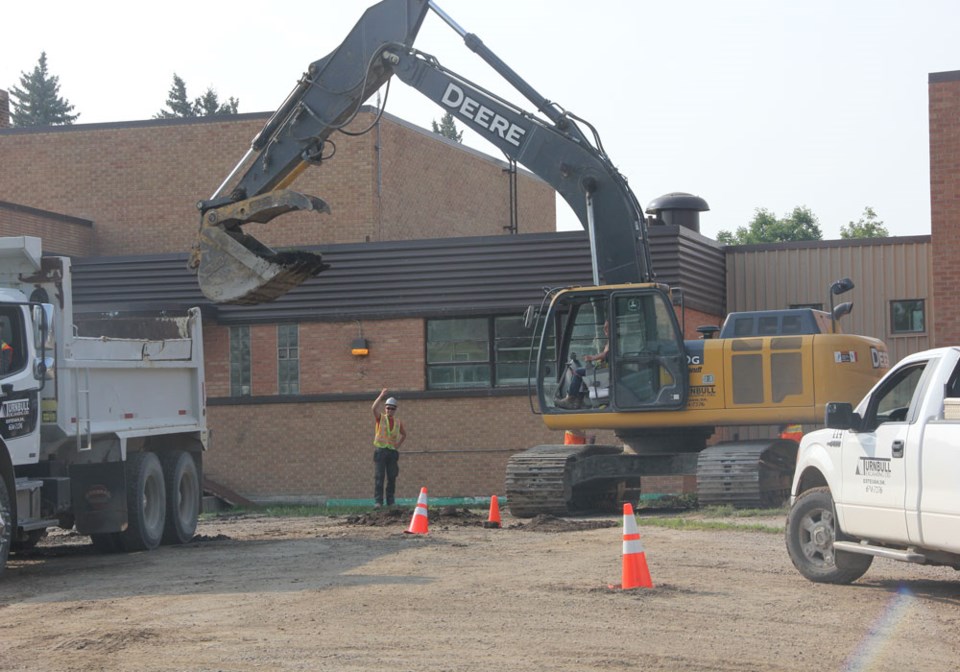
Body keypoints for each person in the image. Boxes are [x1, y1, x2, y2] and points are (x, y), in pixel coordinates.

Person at [557, 321, 609, 409]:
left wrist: (592, 357)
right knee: (582, 372)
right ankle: (578, 401)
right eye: (604, 328)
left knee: (578, 372)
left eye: (607, 327)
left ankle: (571, 398)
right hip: (604, 370)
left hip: (607, 372)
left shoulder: (614, 340)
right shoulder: (610, 341)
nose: (604, 330)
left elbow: (607, 354)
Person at [371, 388, 407, 508]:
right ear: (385, 408)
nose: (389, 410)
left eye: (392, 408)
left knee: (392, 477)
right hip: (380, 451)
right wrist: (381, 396)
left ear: (395, 409)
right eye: (388, 407)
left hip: (392, 452)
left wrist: (398, 445)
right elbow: (373, 408)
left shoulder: (398, 422)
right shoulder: (380, 418)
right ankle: (378, 502)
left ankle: (390, 501)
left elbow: (404, 434)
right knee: (379, 477)